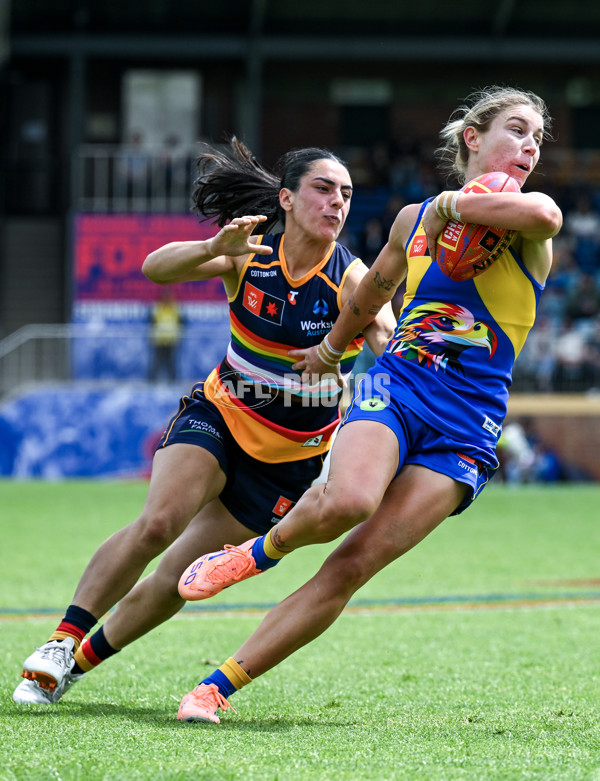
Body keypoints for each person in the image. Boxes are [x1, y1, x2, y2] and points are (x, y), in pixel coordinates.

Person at [175, 86, 563, 724]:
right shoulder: (413, 221)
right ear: (473, 137)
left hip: (469, 425)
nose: (529, 146)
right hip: (395, 384)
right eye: (516, 130)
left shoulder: (529, 221)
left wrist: (454, 204)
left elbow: (546, 217)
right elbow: (377, 284)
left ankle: (215, 688)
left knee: (352, 564)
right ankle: (255, 553)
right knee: (350, 500)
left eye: (537, 139)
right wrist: (330, 350)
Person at [12, 138, 395, 705]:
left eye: (346, 193)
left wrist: (353, 346)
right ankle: (59, 642)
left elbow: (381, 328)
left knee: (179, 576)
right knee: (159, 523)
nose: (337, 202)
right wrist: (211, 245)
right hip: (222, 410)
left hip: (289, 459)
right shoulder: (249, 252)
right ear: (286, 199)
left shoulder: (349, 276)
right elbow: (153, 268)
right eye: (322, 188)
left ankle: (71, 669)